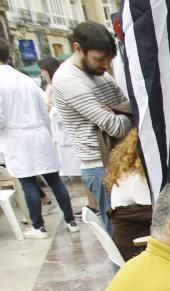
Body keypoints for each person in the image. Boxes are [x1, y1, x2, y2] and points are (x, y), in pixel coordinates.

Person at [52, 21, 133, 233]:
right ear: (78, 48)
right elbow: (117, 126)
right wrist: (124, 113)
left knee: (128, 228)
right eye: (99, 59)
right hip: (99, 165)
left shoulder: (100, 74)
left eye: (109, 60)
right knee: (118, 232)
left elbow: (131, 107)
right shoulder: (69, 79)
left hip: (117, 159)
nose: (105, 65)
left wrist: (123, 111)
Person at [0, 40, 78, 239]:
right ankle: (71, 220)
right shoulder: (24, 78)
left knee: (28, 183)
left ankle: (38, 226)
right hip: (39, 133)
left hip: (16, 136)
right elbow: (44, 107)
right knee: (54, 180)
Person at [39, 56, 94, 215]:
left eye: (43, 72)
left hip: (75, 136)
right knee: (83, 174)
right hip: (66, 136)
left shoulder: (62, 83)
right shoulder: (53, 84)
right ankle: (91, 205)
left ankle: (93, 205)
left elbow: (68, 112)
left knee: (85, 173)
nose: (43, 76)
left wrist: (51, 110)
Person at [104, 129, 152, 261]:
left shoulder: (127, 173)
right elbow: (160, 214)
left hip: (126, 242)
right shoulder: (137, 179)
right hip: (135, 249)